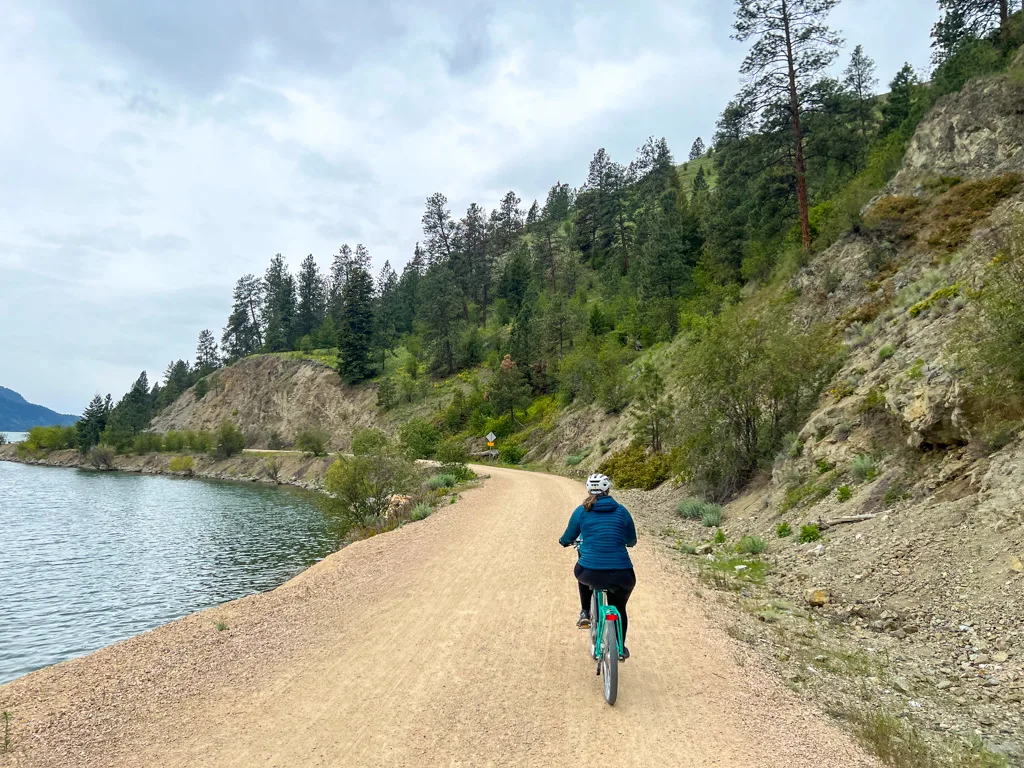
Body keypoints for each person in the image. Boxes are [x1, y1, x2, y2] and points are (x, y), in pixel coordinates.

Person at [558, 473, 637, 659]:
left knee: (582, 572)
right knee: (620, 608)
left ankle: (585, 611)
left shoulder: (581, 511)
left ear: (588, 489)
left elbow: (568, 537)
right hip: (622, 574)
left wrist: (564, 541)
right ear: (608, 489)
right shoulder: (622, 511)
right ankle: (620, 647)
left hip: (590, 572)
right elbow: (631, 539)